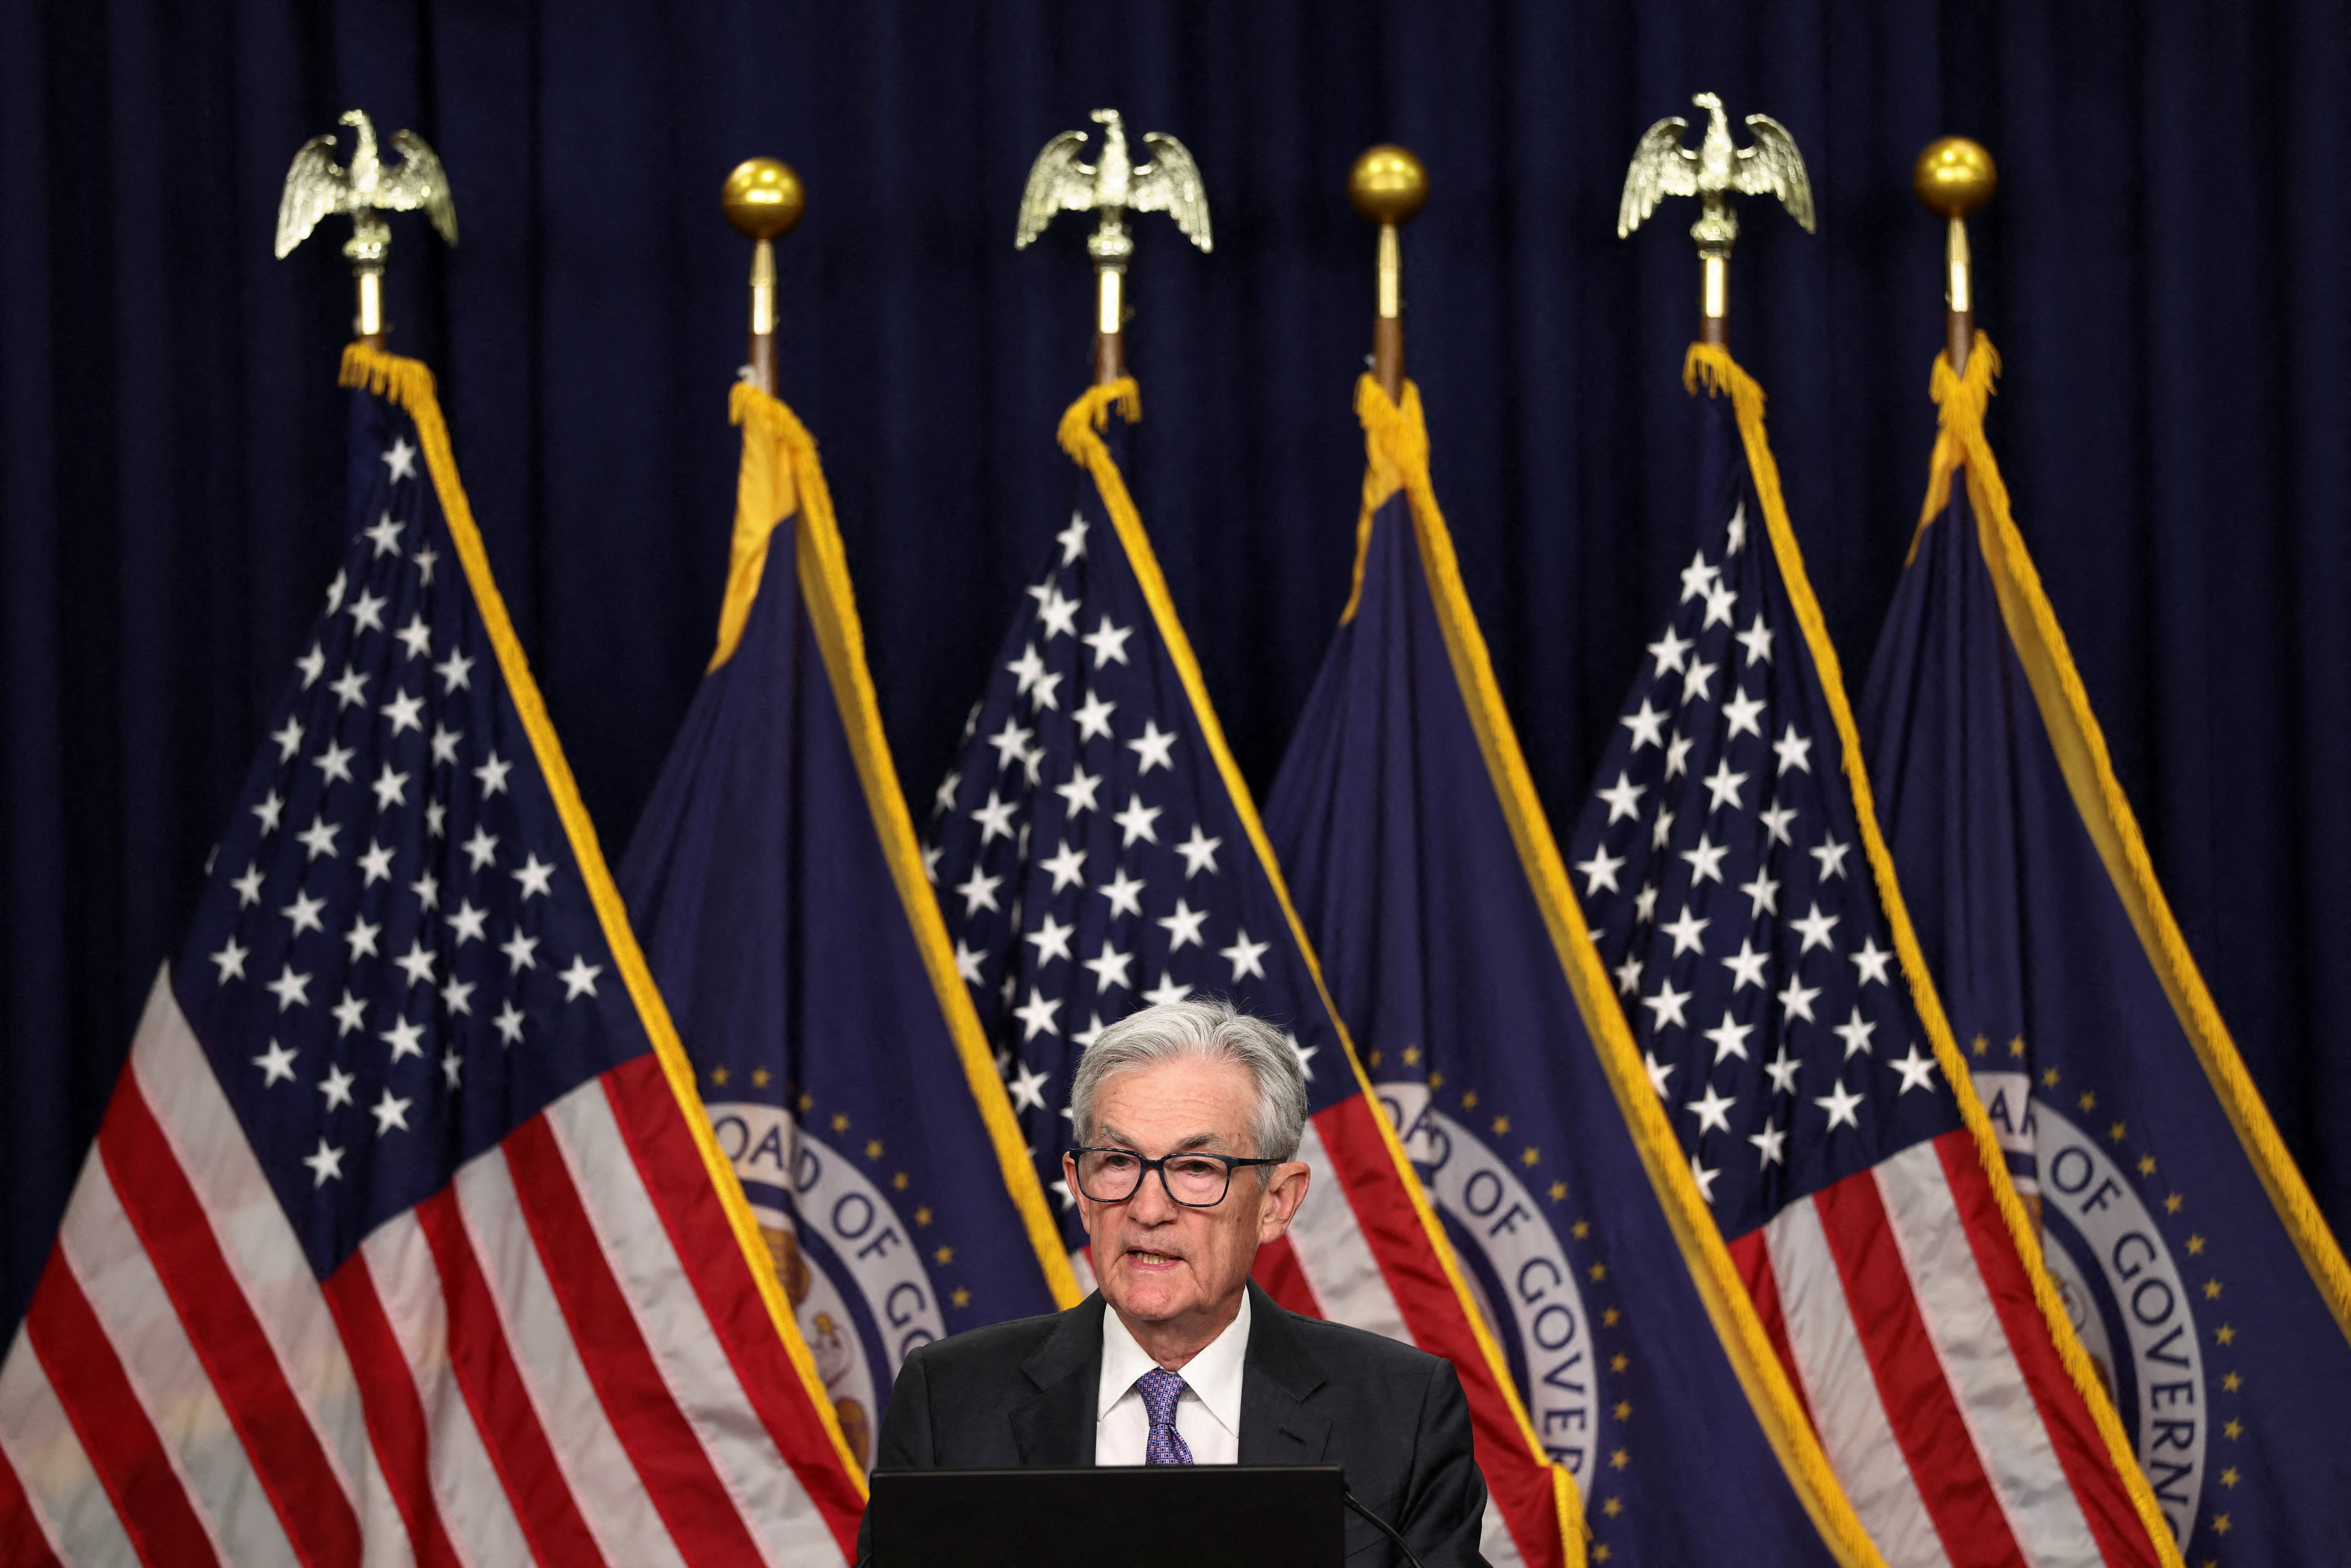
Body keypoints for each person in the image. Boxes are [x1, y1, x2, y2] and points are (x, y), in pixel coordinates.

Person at [858, 998, 1493, 1567]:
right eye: (1117, 1162)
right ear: (1079, 1189)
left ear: (1277, 1201)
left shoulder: (1401, 1412)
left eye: (1195, 1167)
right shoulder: (951, 1401)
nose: (1149, 1208)